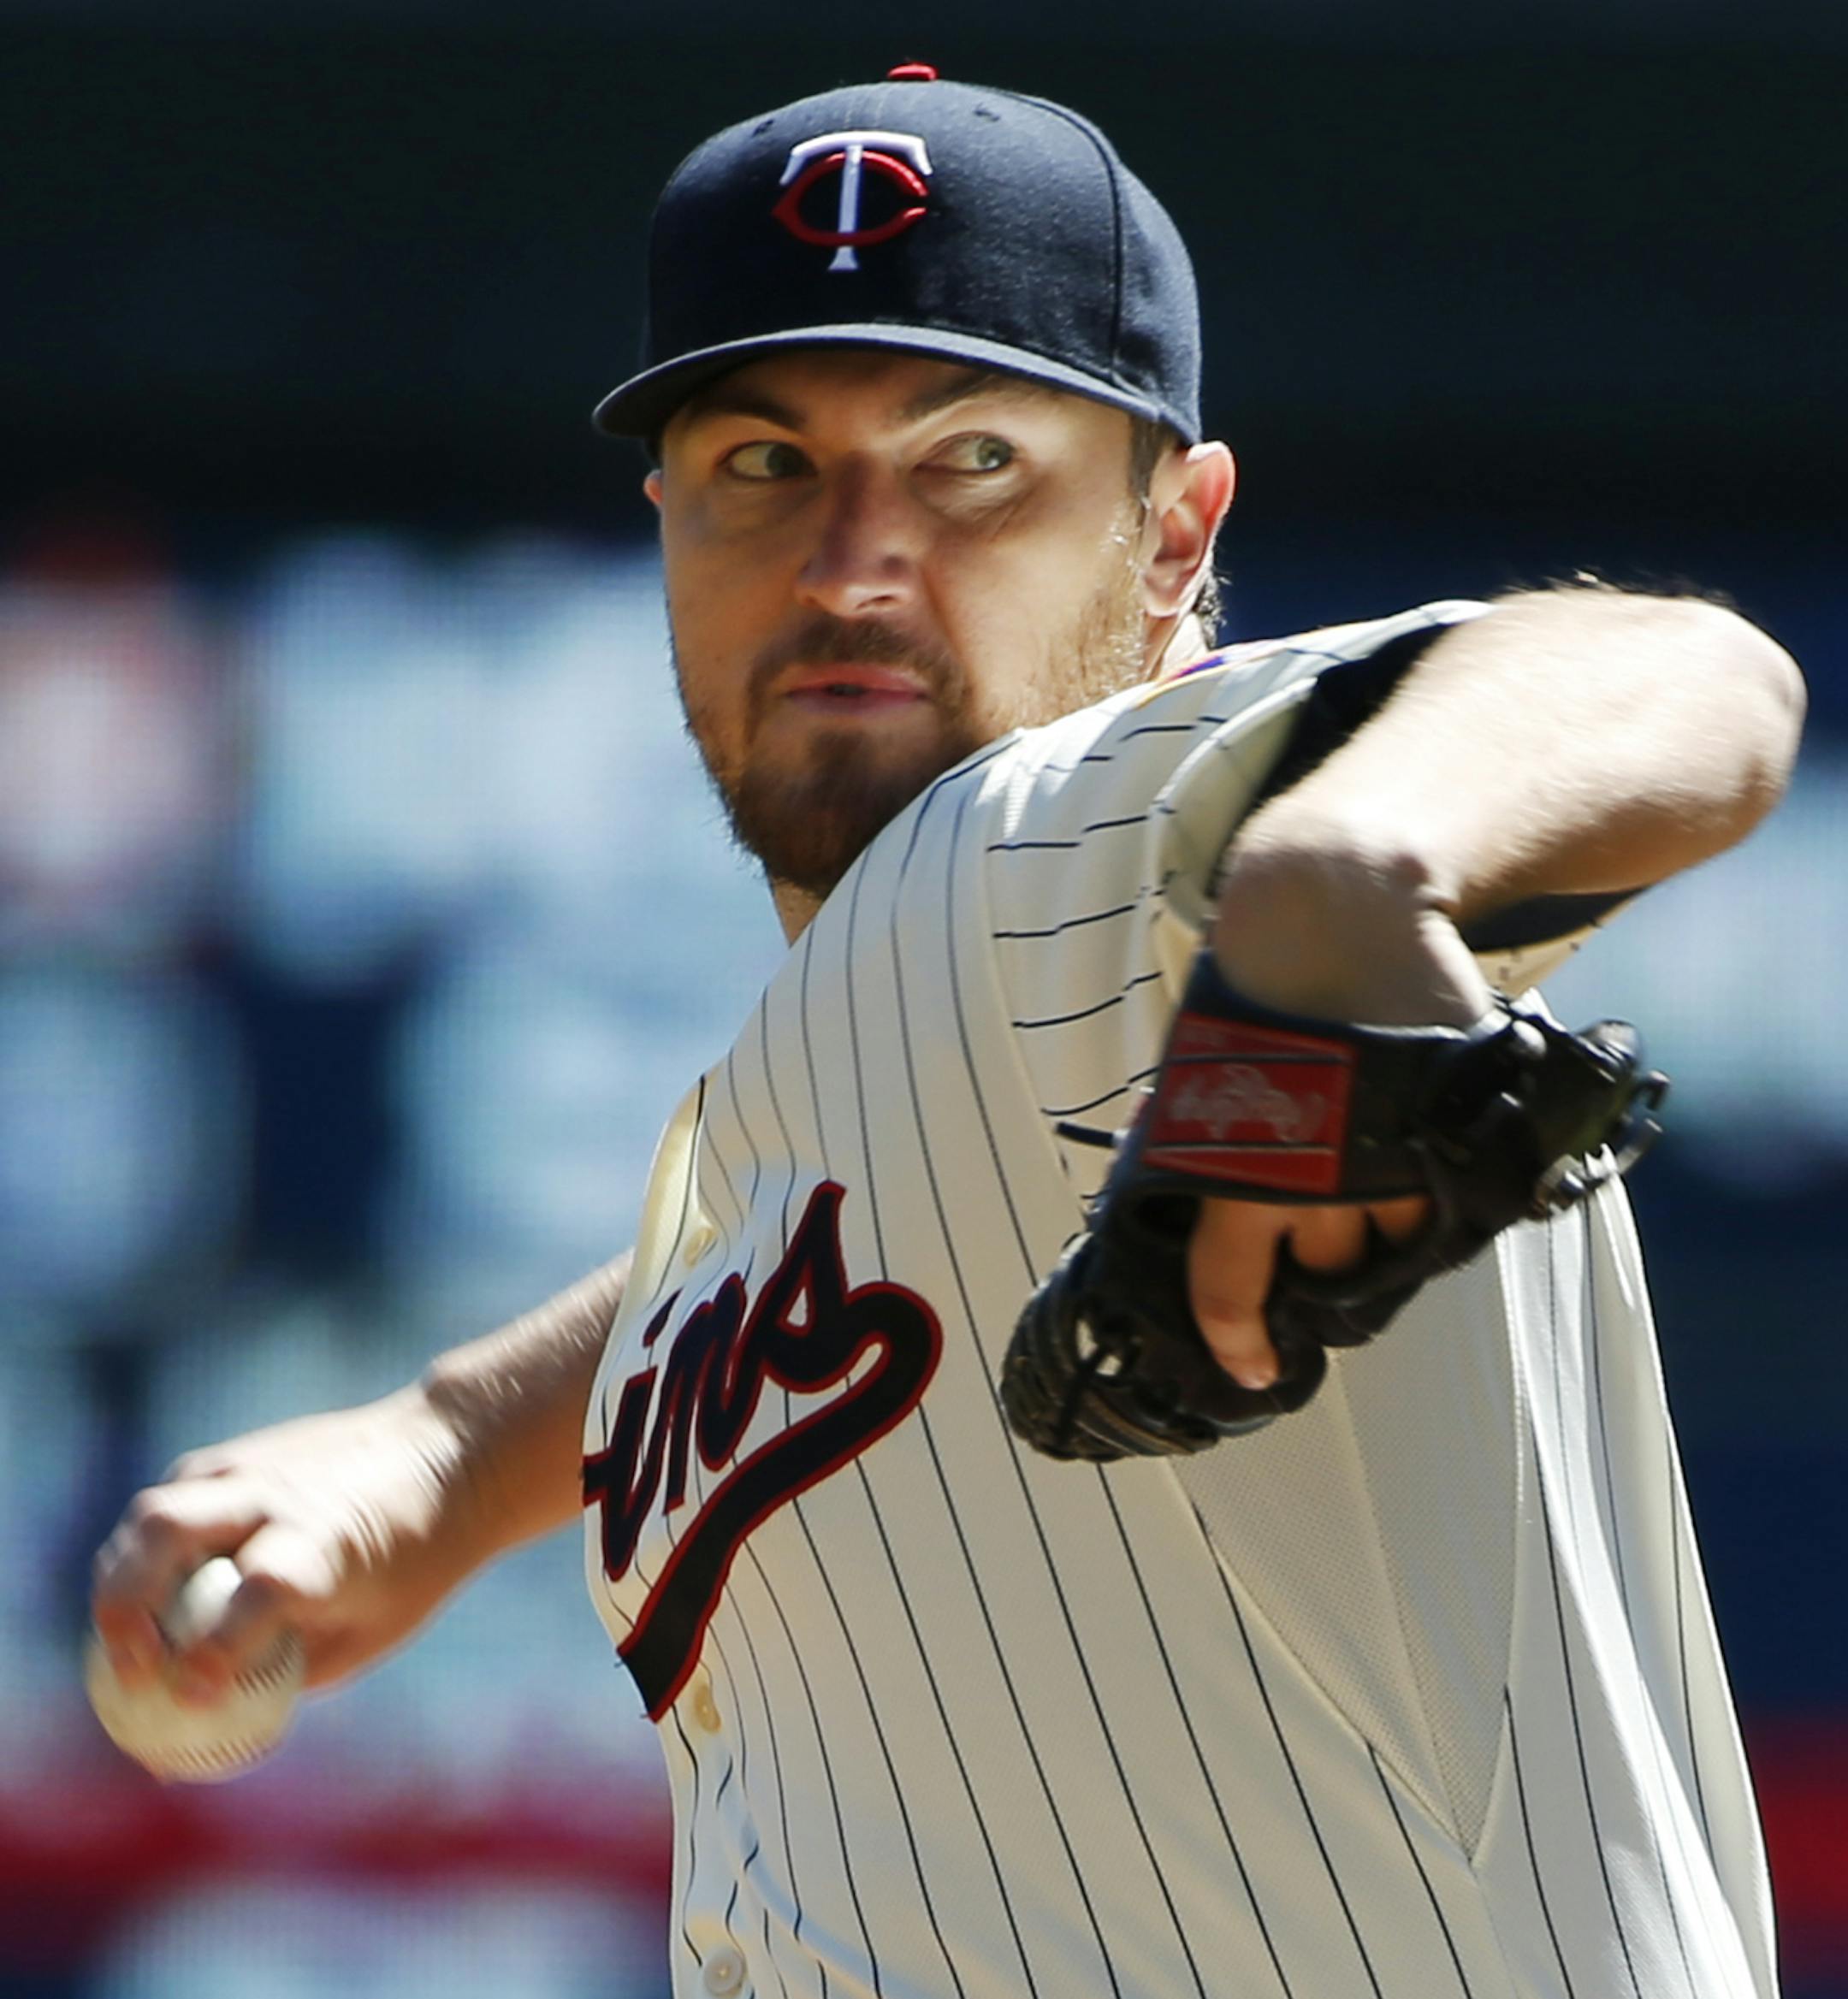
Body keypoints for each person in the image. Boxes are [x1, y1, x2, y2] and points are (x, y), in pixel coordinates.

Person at [93, 67, 1804, 1999]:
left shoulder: (1083, 830)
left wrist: (1337, 865)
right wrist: (439, 1446)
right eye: (762, 463)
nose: (849, 560)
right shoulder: (870, 1064)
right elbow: (809, 1230)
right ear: (663, 519)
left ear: (1174, 535)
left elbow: (1685, 680)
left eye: (974, 459)